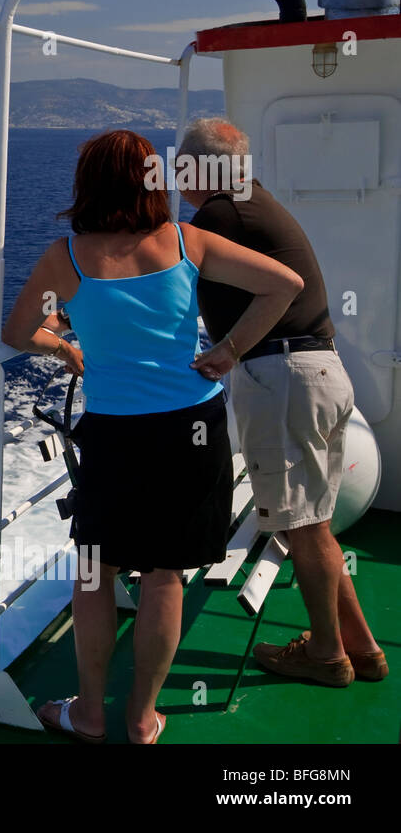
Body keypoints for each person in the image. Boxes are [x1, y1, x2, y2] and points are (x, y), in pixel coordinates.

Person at [2, 129, 302, 744]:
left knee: (94, 570)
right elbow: (284, 285)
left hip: (115, 435)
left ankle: (88, 713)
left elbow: (17, 332)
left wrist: (66, 345)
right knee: (165, 573)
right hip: (192, 426)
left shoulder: (68, 257)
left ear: (87, 184)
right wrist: (228, 350)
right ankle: (142, 719)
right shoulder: (188, 241)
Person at [182, 117, 386, 687]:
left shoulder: (221, 213)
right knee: (313, 523)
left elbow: (175, 276)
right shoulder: (251, 204)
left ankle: (325, 654)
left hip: (283, 377)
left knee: (304, 527)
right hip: (314, 370)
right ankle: (362, 649)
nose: (175, 174)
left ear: (203, 167)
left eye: (181, 163)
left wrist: (228, 349)